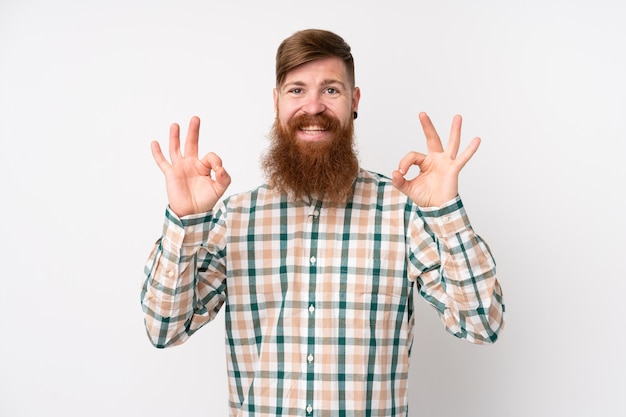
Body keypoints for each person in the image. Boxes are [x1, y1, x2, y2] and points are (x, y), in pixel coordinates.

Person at [142, 28, 505, 416]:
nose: (313, 107)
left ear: (354, 101)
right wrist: (185, 221)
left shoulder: (401, 212)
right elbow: (165, 329)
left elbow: (483, 324)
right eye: (296, 90)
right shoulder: (235, 218)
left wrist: (445, 211)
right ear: (276, 101)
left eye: (331, 90)